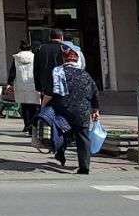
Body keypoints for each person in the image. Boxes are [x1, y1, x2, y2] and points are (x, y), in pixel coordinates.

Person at [43, 44, 101, 174]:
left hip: (63, 110)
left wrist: (43, 107)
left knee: (60, 132)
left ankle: (60, 152)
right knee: (83, 137)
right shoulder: (85, 75)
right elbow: (95, 93)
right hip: (82, 111)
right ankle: (84, 166)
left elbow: (49, 93)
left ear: (64, 59)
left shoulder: (58, 73)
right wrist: (95, 109)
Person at [8, 42, 40, 133]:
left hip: (20, 85)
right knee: (34, 106)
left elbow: (12, 71)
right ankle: (32, 126)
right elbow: (38, 70)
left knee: (24, 106)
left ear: (20, 48)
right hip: (33, 85)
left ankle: (26, 125)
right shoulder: (34, 57)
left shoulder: (16, 58)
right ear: (30, 49)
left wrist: (9, 83)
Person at [33, 29, 66, 100]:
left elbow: (36, 69)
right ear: (61, 37)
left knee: (47, 105)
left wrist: (38, 87)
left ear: (49, 37)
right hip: (62, 84)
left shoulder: (41, 49)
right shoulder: (65, 48)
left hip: (46, 85)